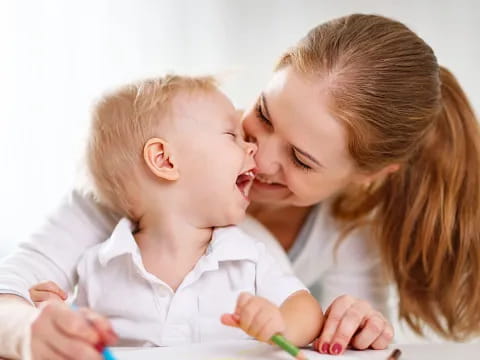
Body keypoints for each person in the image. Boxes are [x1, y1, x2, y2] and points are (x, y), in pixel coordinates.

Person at [2, 11, 478, 358]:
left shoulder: (346, 232)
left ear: (367, 176)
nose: (259, 153)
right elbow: (10, 293)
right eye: (265, 115)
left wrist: (352, 327)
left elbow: (343, 341)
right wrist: (32, 330)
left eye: (301, 159)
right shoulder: (136, 185)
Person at [9, 74, 327, 359]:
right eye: (232, 135)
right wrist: (58, 321)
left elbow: (307, 311)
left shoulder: (247, 255)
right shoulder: (97, 266)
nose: (253, 149)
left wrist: (281, 324)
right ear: (164, 160)